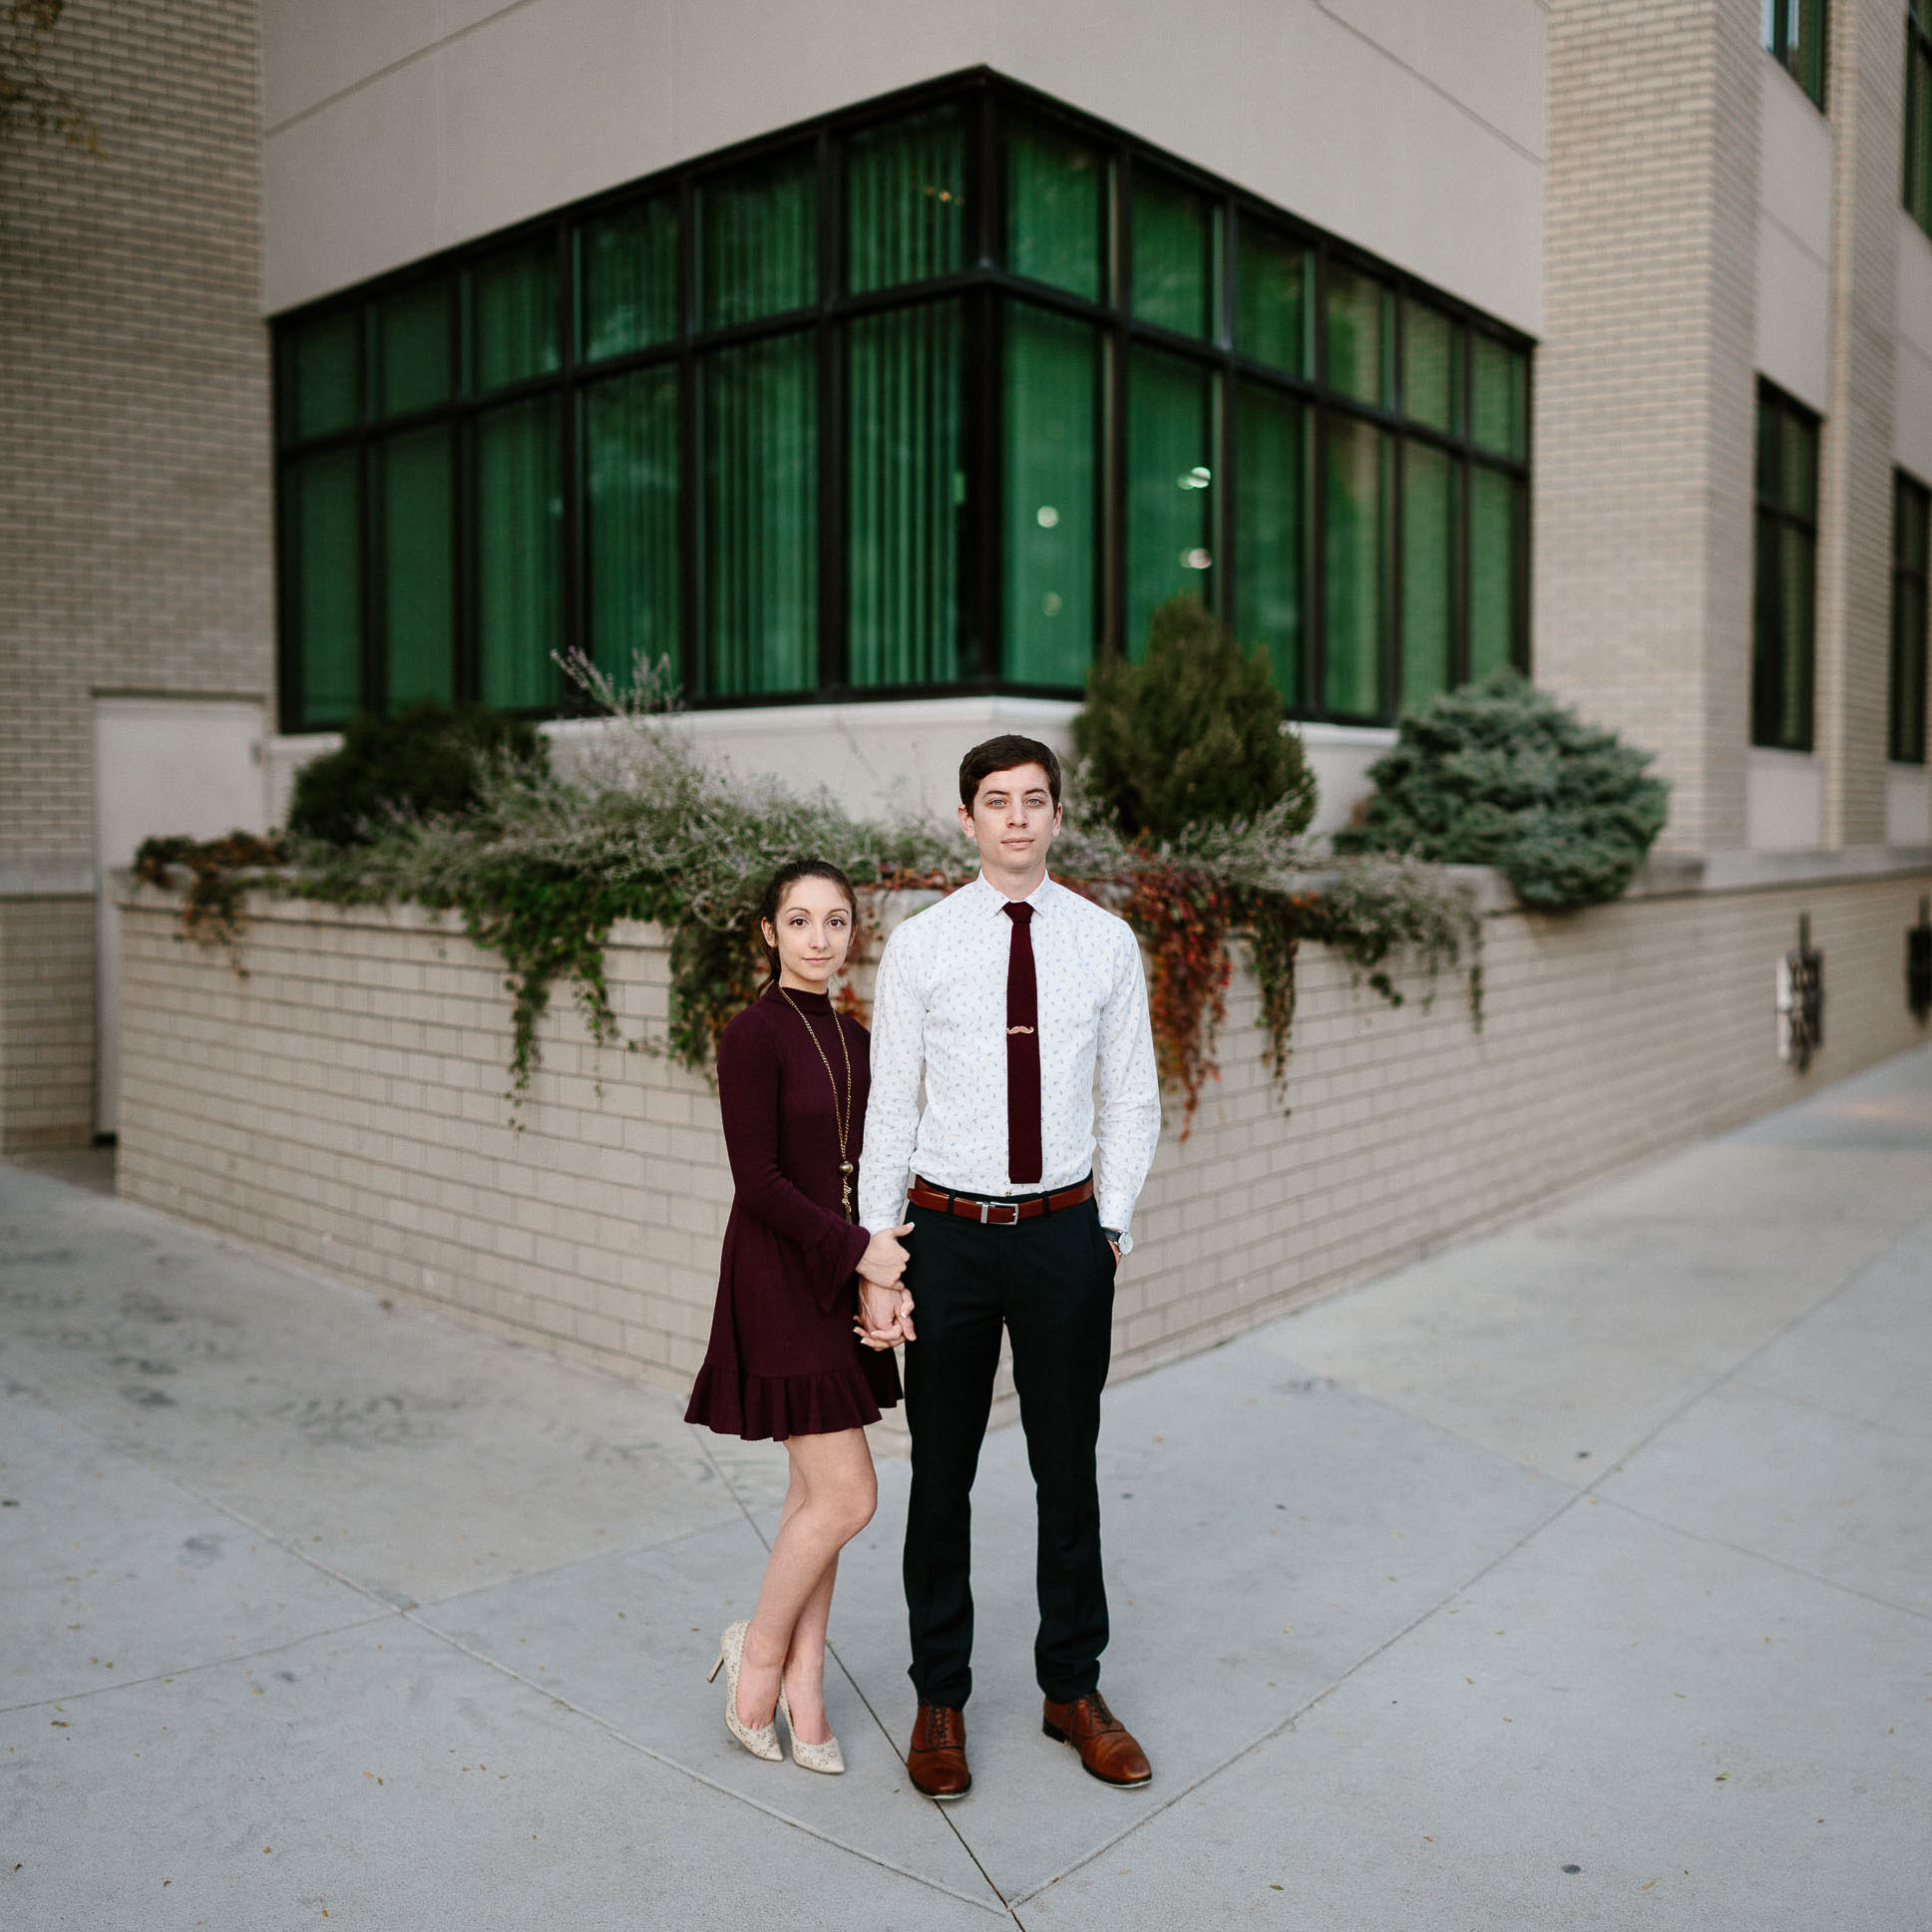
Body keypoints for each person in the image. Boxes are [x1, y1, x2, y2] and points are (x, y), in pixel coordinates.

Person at [859, 735, 1162, 1798]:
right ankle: (938, 1692)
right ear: (966, 819)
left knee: (1064, 1469)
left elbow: (1129, 1095)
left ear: (1056, 815)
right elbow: (888, 1105)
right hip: (942, 1237)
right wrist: (877, 1250)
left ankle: (1069, 1687)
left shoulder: (1103, 942)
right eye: (997, 802)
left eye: (1035, 800)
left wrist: (1107, 1228)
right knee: (939, 1477)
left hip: (1060, 1237)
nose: (1018, 818)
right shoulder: (922, 944)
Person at [686, 859, 915, 1774]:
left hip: (839, 1278)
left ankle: (804, 1688)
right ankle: (760, 1653)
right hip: (778, 1280)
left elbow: (874, 1176)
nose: (820, 938)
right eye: (799, 920)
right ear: (768, 933)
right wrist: (858, 1253)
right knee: (851, 1495)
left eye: (836, 921)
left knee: (814, 1499)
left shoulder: (858, 1039)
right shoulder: (753, 1035)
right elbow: (762, 1183)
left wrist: (884, 1281)